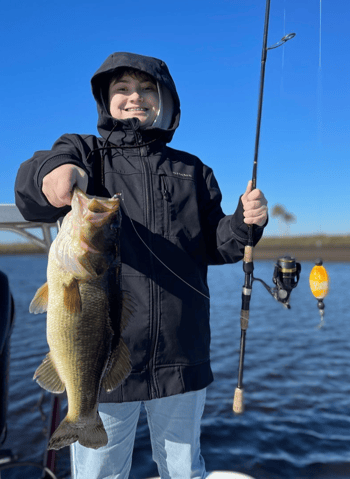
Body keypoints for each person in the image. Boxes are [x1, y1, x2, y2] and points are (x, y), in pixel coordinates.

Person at [15, 52, 268, 479]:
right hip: (104, 359)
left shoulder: (193, 171)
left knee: (184, 469)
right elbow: (33, 187)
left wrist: (244, 225)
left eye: (148, 90)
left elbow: (216, 244)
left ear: (166, 101)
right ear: (105, 100)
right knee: (100, 472)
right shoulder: (85, 152)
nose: (136, 98)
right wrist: (55, 175)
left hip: (181, 355)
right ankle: (82, 415)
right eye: (122, 90)